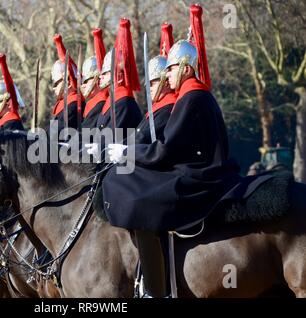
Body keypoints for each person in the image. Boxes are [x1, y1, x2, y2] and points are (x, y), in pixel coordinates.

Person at [102, 5, 242, 297]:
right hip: (194, 169)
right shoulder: (191, 94)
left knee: (140, 202)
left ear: (186, 68)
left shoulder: (192, 97)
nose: (166, 76)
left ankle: (158, 291)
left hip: (201, 176)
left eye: (170, 69)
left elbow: (164, 152)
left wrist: (127, 153)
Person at [95, 18, 142, 139]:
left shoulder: (123, 102)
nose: (101, 76)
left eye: (105, 72)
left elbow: (111, 138)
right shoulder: (114, 100)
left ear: (119, 76)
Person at [134, 23, 176, 145]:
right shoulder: (157, 107)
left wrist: (125, 149)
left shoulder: (168, 108)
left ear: (166, 82)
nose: (149, 88)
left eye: (152, 83)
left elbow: (143, 138)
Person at [50, 34, 84, 136]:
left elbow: (56, 132)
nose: (54, 88)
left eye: (57, 83)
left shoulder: (73, 105)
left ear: (68, 83)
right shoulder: (64, 105)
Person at [80, 28, 109, 129]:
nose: (83, 85)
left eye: (87, 81)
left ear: (97, 79)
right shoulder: (92, 102)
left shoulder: (100, 103)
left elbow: (86, 132)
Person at [0, 53, 25, 131]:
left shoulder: (12, 122)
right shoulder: (0, 123)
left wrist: (3, 63)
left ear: (7, 103)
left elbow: (9, 84)